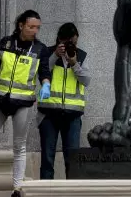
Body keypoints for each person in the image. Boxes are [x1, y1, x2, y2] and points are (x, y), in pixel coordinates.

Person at [0, 9, 52, 197]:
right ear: (21, 25)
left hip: (23, 103)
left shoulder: (41, 49)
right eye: (31, 27)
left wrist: (46, 85)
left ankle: (17, 188)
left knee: (19, 146)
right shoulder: (6, 43)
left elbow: (45, 73)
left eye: (37, 27)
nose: (35, 31)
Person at [36, 22, 91, 179]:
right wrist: (55, 55)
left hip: (72, 115)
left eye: (74, 42)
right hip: (48, 114)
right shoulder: (47, 52)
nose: (71, 45)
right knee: (47, 158)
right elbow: (41, 72)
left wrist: (74, 64)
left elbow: (86, 81)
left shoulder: (81, 56)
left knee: (72, 159)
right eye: (68, 42)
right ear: (60, 39)